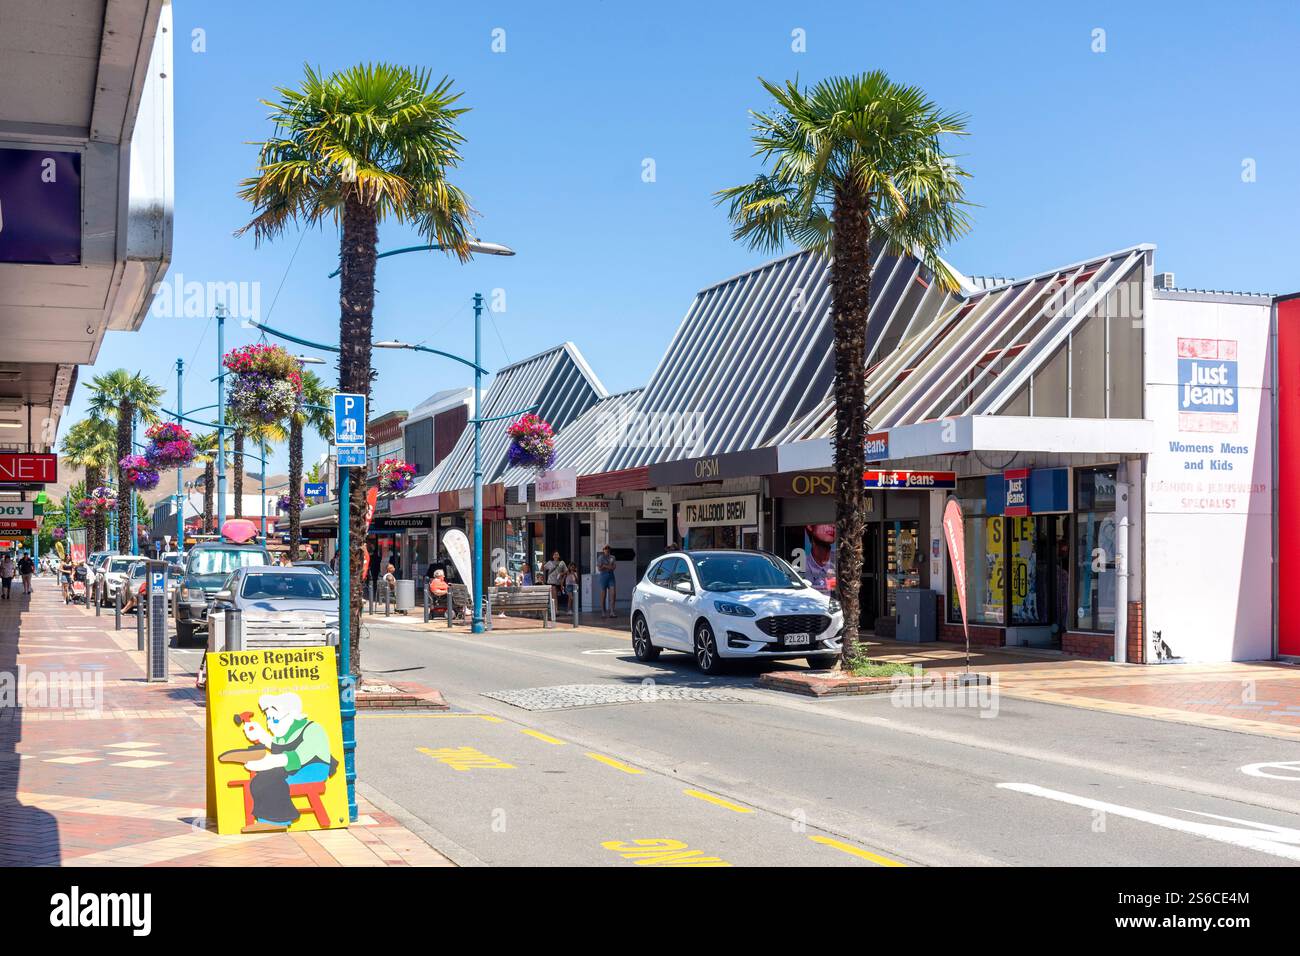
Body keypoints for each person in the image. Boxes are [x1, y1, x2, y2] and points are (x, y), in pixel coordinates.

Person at [597, 546, 617, 618]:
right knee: (603, 595)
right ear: (603, 550)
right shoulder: (600, 557)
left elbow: (614, 567)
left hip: (611, 576)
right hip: (603, 577)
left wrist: (605, 566)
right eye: (605, 549)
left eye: (608, 550)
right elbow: (599, 568)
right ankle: (603, 612)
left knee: (613, 594)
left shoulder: (612, 557)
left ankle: (612, 611)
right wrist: (608, 566)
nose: (607, 551)